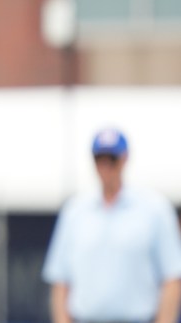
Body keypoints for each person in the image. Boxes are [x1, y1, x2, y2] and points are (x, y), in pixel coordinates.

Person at [43, 127, 181, 323]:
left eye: (111, 160)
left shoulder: (154, 210)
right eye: (100, 160)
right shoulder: (75, 212)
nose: (105, 167)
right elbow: (61, 280)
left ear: (124, 159)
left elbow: (172, 277)